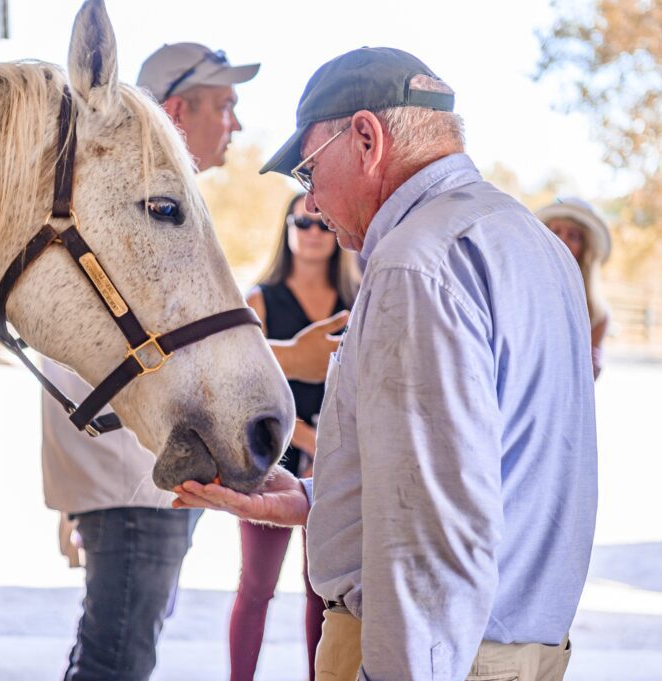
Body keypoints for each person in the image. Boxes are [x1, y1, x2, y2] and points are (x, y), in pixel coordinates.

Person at [173, 47, 598, 681]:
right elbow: (488, 469)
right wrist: (321, 499)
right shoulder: (527, 237)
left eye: (308, 172)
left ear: (366, 138)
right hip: (518, 649)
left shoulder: (414, 261)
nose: (311, 203)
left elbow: (433, 525)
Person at [41, 43, 264, 681]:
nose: (237, 124)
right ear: (174, 109)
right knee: (118, 661)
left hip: (130, 474)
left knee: (109, 649)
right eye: (225, 104)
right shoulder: (142, 215)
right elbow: (151, 345)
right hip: (134, 477)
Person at [229, 193, 359, 681]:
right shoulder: (258, 299)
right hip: (271, 460)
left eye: (323, 223)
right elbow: (242, 390)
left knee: (320, 589)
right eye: (301, 221)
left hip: (339, 461)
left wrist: (330, 446)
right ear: (286, 228)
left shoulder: (359, 298)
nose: (311, 231)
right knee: (257, 585)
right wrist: (306, 439)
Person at [535, 197, 611, 379]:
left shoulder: (597, 314)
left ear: (584, 249)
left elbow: (588, 374)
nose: (562, 241)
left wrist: (592, 366)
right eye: (556, 231)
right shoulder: (523, 291)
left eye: (573, 236)